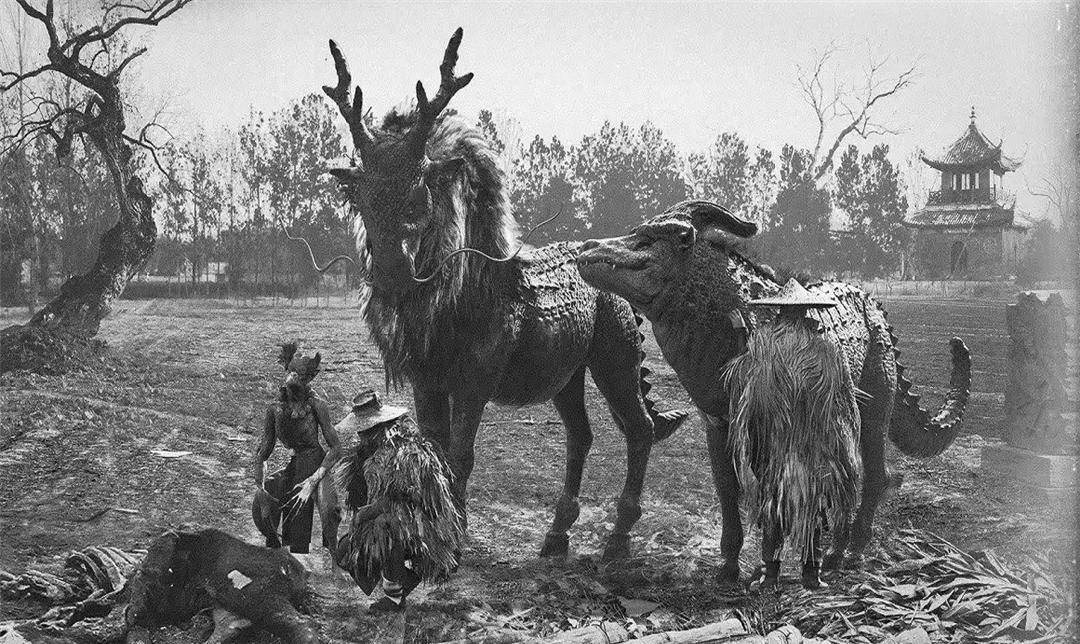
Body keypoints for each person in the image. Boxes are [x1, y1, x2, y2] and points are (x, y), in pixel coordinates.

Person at [333, 389, 464, 613]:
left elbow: (393, 502)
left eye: (363, 431)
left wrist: (364, 515)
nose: (360, 436)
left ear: (375, 427)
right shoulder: (369, 454)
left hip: (421, 528)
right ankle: (403, 582)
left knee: (384, 528)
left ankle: (394, 598)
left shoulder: (399, 453)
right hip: (400, 521)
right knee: (345, 550)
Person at [252, 342, 341, 555]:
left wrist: (316, 477)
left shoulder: (317, 406)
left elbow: (336, 448)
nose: (295, 379)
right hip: (295, 463)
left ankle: (330, 555)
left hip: (315, 463)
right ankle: (274, 547)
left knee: (326, 508)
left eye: (301, 375)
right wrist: (259, 477)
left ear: (309, 378)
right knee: (270, 492)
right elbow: (265, 448)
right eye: (292, 372)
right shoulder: (275, 409)